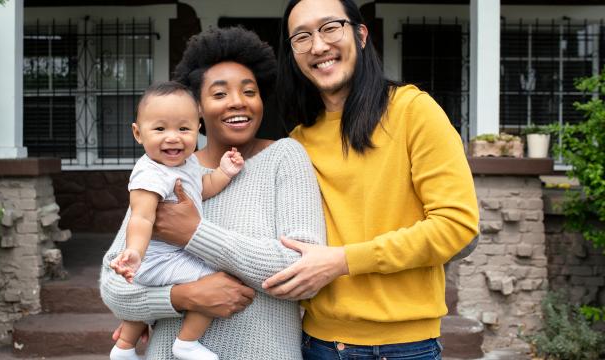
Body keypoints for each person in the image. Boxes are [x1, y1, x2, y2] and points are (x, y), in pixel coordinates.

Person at [261, 0, 480, 359]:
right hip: (320, 344)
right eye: (301, 37)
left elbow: (456, 225)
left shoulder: (413, 111)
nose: (318, 46)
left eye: (330, 28)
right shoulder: (298, 142)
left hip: (406, 347)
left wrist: (342, 261)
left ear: (360, 35)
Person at [99, 26, 326, 360]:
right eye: (219, 94)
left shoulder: (285, 157)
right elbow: (115, 285)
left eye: (250, 92)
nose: (238, 102)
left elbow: (303, 272)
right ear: (198, 109)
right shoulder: (168, 170)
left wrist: (195, 233)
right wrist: (184, 297)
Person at [108, 81, 245, 360]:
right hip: (156, 259)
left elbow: (201, 188)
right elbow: (142, 218)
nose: (173, 137)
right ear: (138, 133)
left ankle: (123, 348)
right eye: (160, 129)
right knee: (211, 281)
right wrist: (134, 252)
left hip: (166, 257)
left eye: (184, 129)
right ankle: (186, 342)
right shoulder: (150, 175)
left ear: (198, 130)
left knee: (152, 289)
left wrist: (224, 172)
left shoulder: (188, 163)